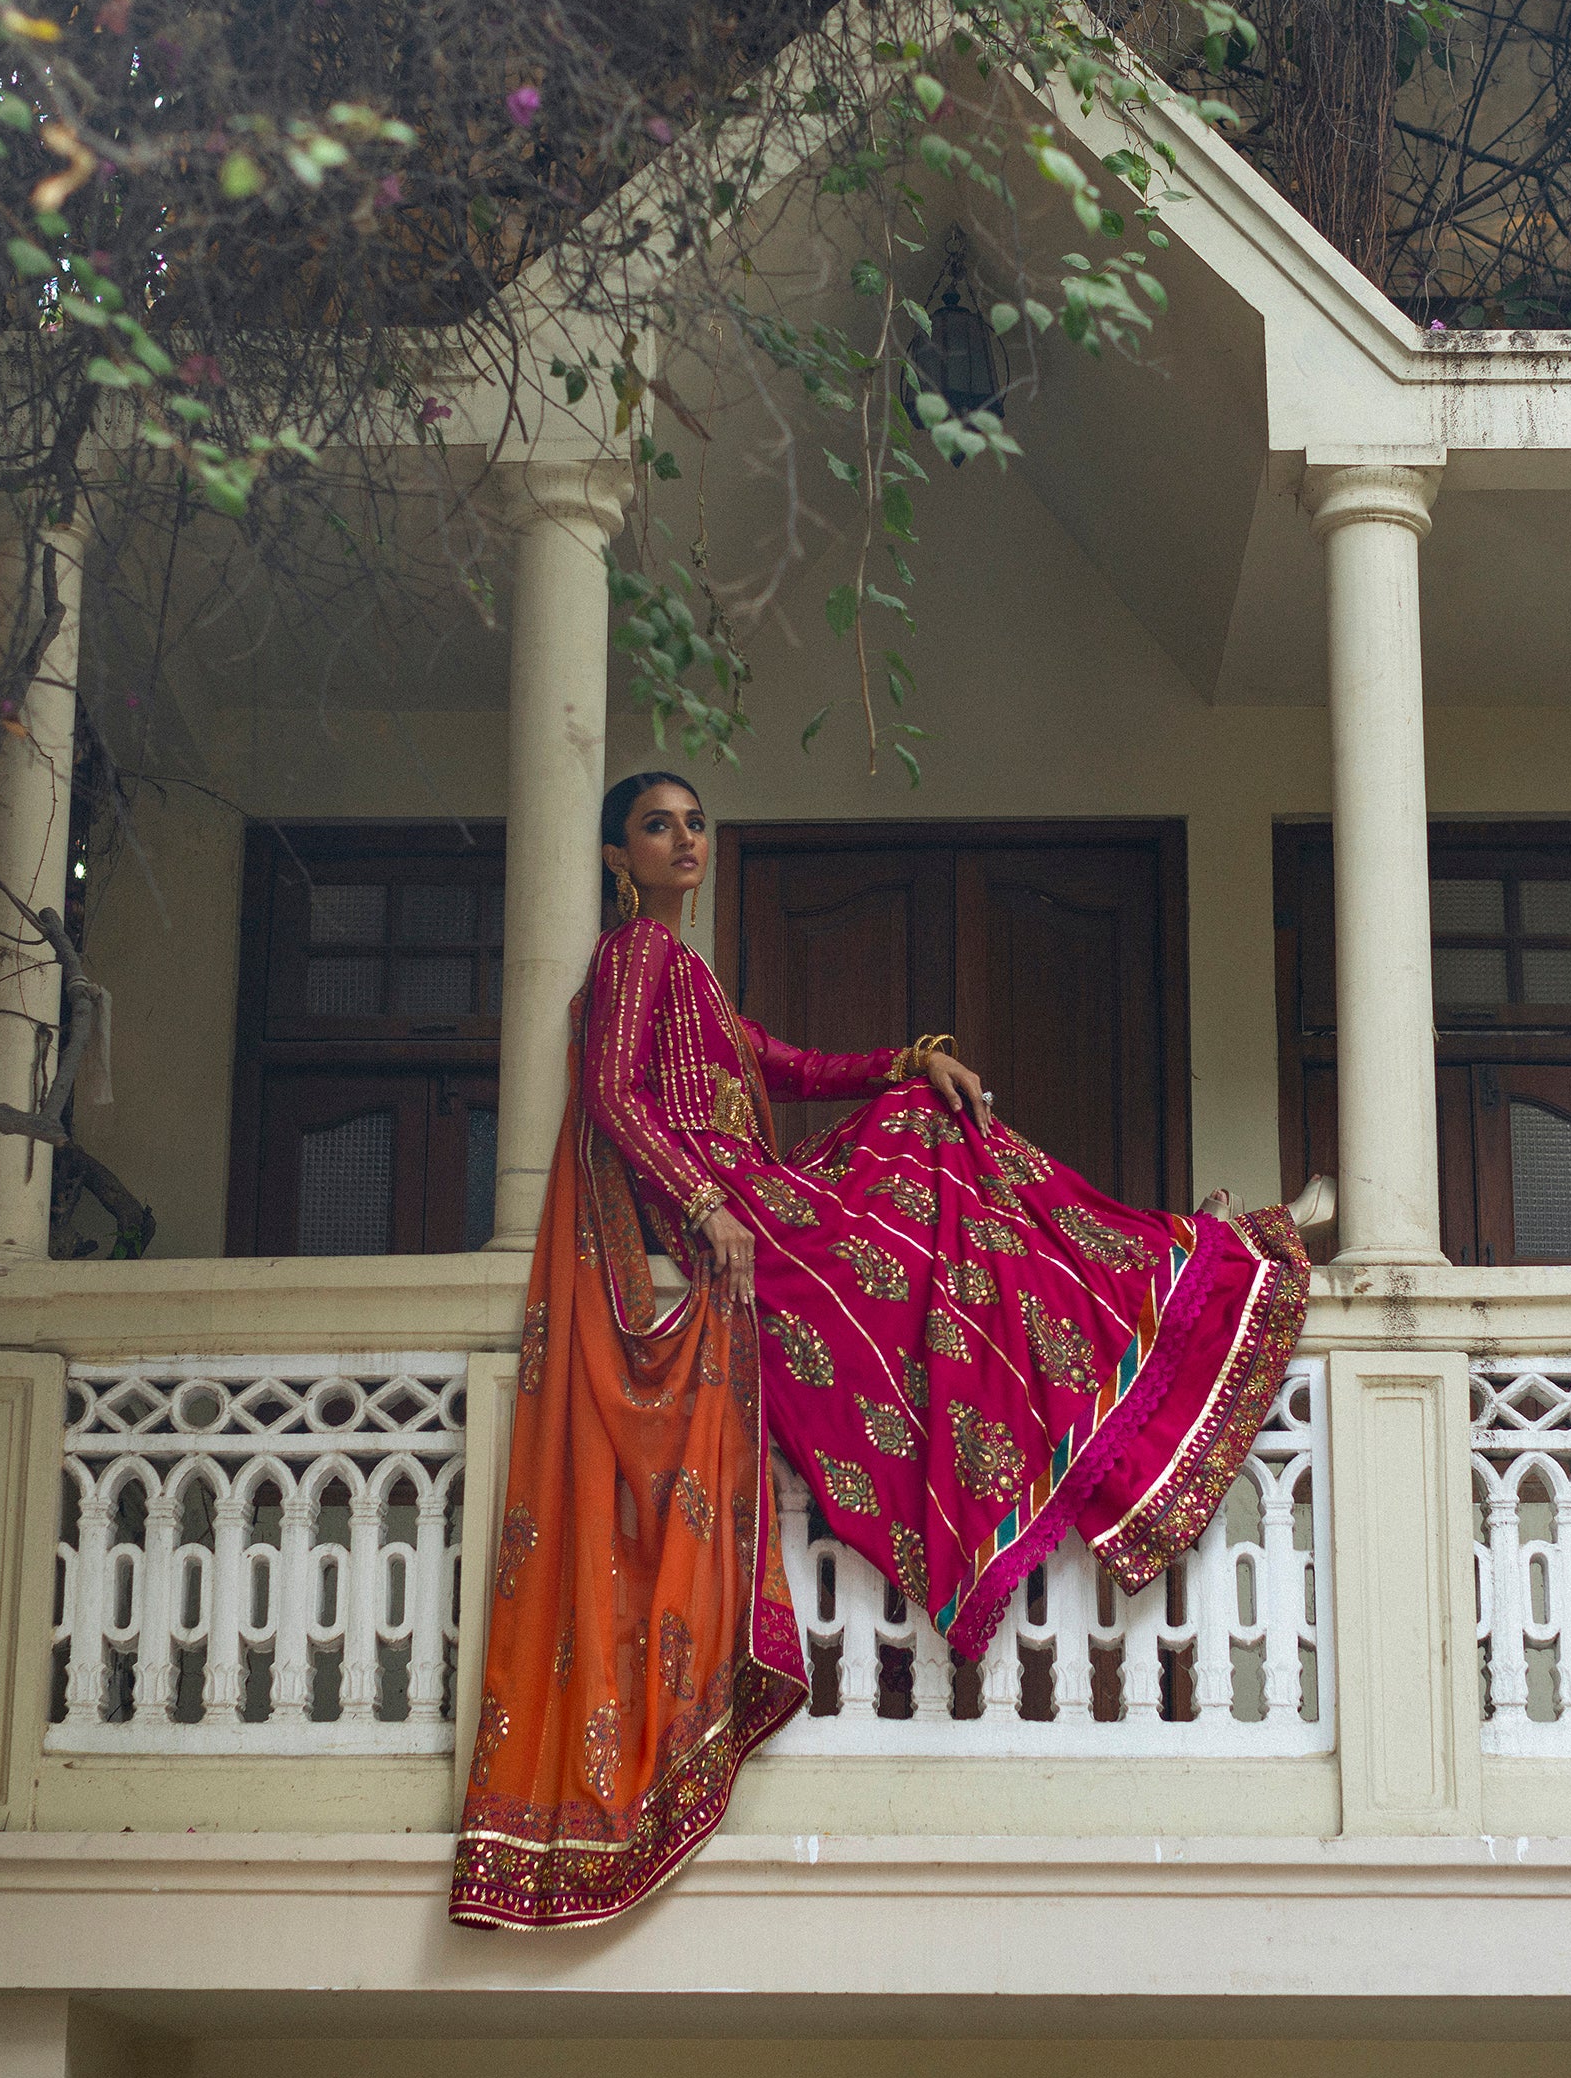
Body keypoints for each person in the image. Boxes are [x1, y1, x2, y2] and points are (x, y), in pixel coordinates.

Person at [450, 773, 1311, 1931]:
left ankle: (1154, 1278)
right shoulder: (633, 957)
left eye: (696, 821)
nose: (686, 839)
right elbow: (610, 1095)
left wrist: (907, 1056)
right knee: (936, 1194)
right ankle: (1174, 1263)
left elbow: (791, 1065)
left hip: (755, 1197)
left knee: (946, 1187)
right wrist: (702, 1205)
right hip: (735, 1212)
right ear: (618, 859)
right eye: (659, 825)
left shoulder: (687, 971)